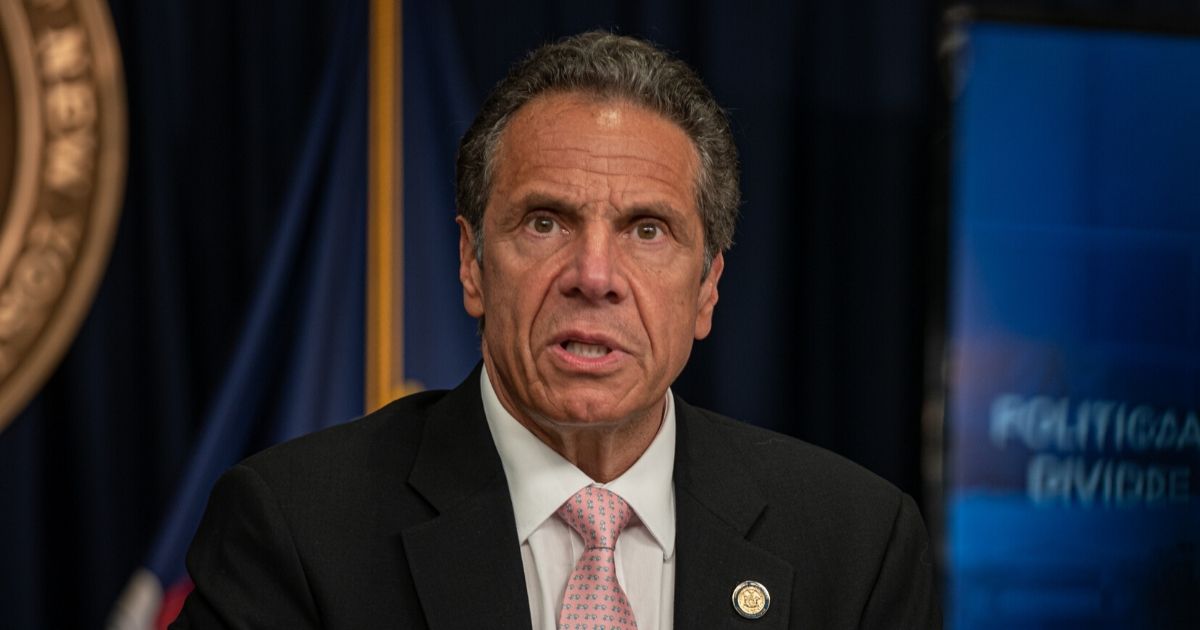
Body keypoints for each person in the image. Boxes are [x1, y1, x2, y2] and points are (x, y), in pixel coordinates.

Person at [172, 31, 938, 629]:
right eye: (545, 222)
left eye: (647, 230)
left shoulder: (855, 544)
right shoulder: (296, 530)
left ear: (707, 289)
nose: (594, 274)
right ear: (472, 265)